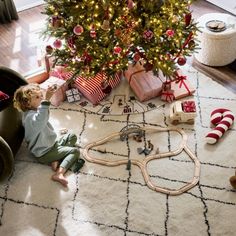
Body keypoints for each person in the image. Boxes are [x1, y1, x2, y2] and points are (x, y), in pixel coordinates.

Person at [13, 83, 84, 187]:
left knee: (72, 136)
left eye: (41, 95)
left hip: (52, 144)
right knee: (75, 151)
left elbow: (43, 120)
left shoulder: (35, 111)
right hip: (44, 152)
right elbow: (41, 120)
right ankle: (59, 173)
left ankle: (56, 160)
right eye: (37, 97)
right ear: (28, 104)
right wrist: (46, 99)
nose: (41, 98)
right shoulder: (29, 118)